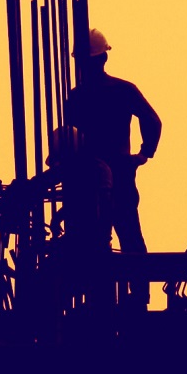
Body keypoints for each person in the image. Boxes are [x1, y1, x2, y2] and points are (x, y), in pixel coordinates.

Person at [64, 29, 161, 254]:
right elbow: (152, 120)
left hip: (86, 177)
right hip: (119, 173)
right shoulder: (123, 90)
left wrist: (144, 153)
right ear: (104, 57)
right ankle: (138, 289)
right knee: (131, 240)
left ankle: (102, 286)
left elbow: (68, 137)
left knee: (92, 245)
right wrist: (143, 154)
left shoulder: (76, 96)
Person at [33, 125, 114, 258]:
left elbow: (44, 181)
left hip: (86, 244)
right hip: (97, 242)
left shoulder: (78, 165)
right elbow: (82, 201)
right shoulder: (95, 166)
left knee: (45, 266)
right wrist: (59, 216)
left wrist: (20, 190)